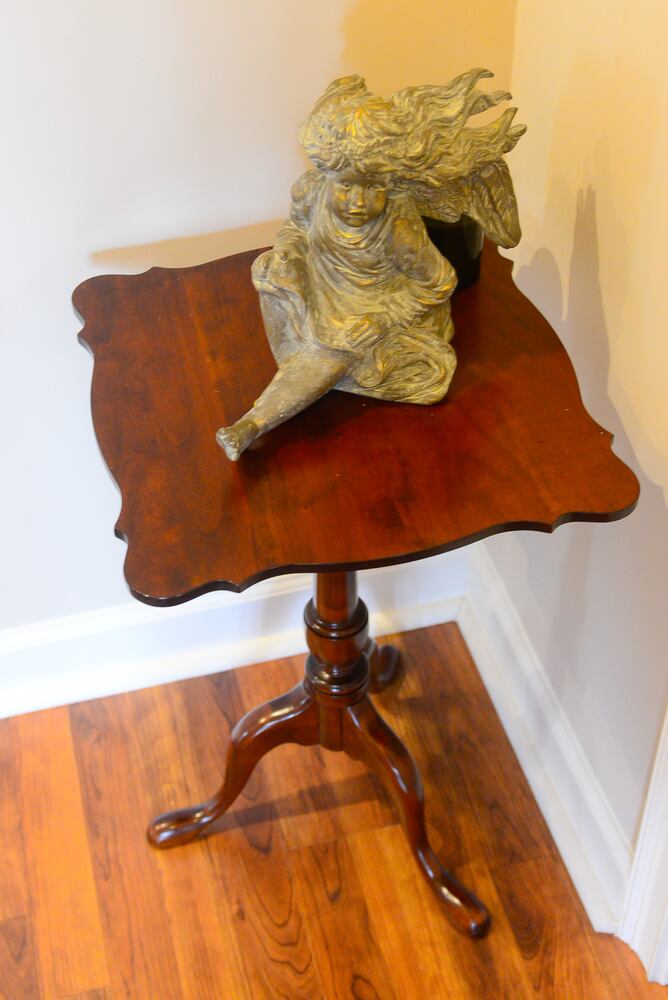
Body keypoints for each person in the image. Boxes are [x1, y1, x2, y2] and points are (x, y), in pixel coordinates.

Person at [217, 71, 525, 460]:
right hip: (325, 292)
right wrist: (287, 253)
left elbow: (438, 281)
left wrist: (382, 319)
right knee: (267, 270)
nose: (359, 202)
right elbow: (296, 230)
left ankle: (253, 424)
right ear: (327, 175)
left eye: (374, 188)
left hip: (377, 307)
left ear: (389, 184)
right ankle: (298, 364)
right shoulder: (310, 191)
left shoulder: (396, 226)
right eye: (347, 186)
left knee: (338, 348)